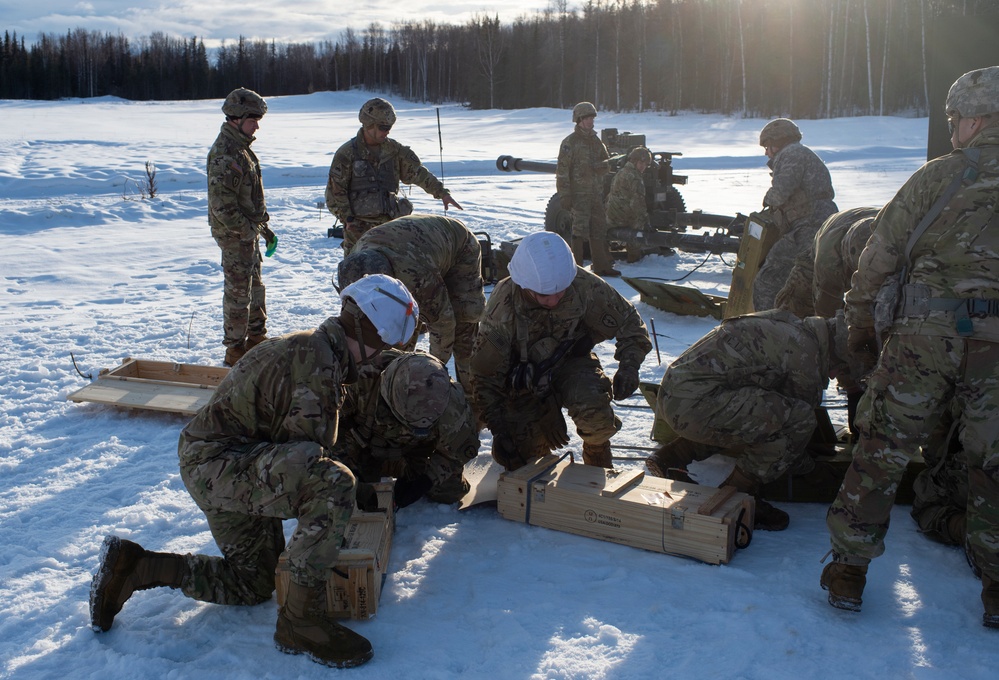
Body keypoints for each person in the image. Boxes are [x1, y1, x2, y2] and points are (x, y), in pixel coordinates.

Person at [89, 274, 419, 669]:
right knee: (332, 486)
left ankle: (137, 566)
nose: (378, 359)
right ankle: (300, 623)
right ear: (367, 334)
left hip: (225, 462)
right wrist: (346, 495)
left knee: (254, 582)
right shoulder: (316, 367)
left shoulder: (318, 352)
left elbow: (297, 451)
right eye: (382, 348)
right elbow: (313, 470)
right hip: (220, 466)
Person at [823, 66, 999, 629]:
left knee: (881, 450)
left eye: (955, 120)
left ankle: (849, 570)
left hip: (924, 338)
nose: (951, 132)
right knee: (993, 462)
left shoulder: (936, 178)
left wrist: (859, 322)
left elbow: (879, 254)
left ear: (978, 119)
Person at [646, 309, 850, 531]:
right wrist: (812, 470)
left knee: (756, 414)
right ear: (834, 352)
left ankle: (672, 456)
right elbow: (789, 435)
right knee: (799, 418)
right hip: (694, 405)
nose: (833, 376)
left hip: (675, 394)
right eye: (839, 368)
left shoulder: (792, 324)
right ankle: (738, 496)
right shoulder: (806, 357)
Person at [470, 231, 651, 470]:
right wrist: (499, 429)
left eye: (561, 292)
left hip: (570, 362)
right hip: (521, 381)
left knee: (596, 416)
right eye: (545, 295)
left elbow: (629, 321)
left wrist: (629, 367)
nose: (554, 300)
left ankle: (597, 458)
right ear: (525, 285)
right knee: (521, 458)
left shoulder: (582, 284)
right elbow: (484, 377)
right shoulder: (502, 310)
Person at [336, 214, 485, 392]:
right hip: (417, 248)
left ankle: (472, 394)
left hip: (459, 246)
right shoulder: (355, 263)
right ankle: (396, 374)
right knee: (398, 320)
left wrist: (431, 369)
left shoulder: (415, 277)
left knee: (463, 323)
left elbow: (443, 325)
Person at [334, 349, 480, 508]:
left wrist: (426, 480)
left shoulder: (451, 401)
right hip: (364, 448)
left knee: (449, 491)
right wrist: (349, 474)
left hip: (416, 455)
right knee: (337, 491)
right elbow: (329, 432)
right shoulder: (359, 378)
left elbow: (458, 450)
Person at [325, 97, 462, 252]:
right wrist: (347, 218)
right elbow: (335, 192)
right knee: (360, 272)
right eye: (383, 127)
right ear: (369, 125)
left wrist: (442, 193)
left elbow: (418, 173)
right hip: (358, 230)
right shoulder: (347, 154)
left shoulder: (395, 151)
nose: (387, 131)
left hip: (391, 227)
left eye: (389, 127)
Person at [207, 87, 279, 367]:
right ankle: (235, 349)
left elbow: (248, 200)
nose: (257, 125)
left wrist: (263, 229)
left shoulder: (240, 148)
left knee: (256, 287)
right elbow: (222, 207)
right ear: (236, 118)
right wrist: (249, 230)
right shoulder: (226, 154)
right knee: (239, 293)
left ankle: (256, 337)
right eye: (253, 119)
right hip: (235, 236)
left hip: (248, 233)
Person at [753, 118, 838, 312]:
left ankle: (765, 326)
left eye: (767, 146)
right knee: (804, 281)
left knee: (768, 279)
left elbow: (781, 192)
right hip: (817, 224)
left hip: (809, 227)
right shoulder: (800, 153)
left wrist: (768, 199)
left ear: (779, 140)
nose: (766, 152)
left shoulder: (792, 153)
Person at [556, 102, 619, 277]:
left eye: (592, 118)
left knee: (599, 227)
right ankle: (576, 268)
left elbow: (606, 162)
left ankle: (601, 266)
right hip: (578, 195)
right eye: (588, 118)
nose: (591, 121)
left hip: (595, 193)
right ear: (579, 120)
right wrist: (565, 195)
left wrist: (603, 166)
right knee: (579, 230)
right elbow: (562, 171)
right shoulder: (570, 142)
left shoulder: (595, 141)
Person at [605, 146, 653, 262]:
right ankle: (634, 258)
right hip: (621, 217)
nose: (643, 167)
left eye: (645, 164)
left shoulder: (622, 172)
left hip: (611, 216)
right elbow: (638, 204)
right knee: (638, 226)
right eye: (641, 163)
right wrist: (645, 222)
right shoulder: (635, 177)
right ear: (634, 161)